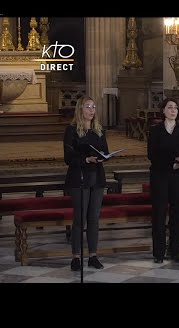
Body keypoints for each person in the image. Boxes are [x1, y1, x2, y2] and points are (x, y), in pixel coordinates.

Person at [63, 96, 108, 271]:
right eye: (88, 106)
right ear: (80, 109)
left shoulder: (99, 130)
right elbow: (68, 157)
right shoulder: (72, 130)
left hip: (97, 178)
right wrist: (85, 159)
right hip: (79, 178)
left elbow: (106, 150)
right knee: (79, 220)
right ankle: (75, 257)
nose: (91, 110)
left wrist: (104, 156)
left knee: (94, 219)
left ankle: (93, 255)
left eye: (93, 107)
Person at [148, 98, 179, 264]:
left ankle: (176, 252)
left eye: (175, 107)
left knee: (177, 214)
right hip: (160, 176)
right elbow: (152, 154)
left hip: (178, 177)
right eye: (170, 107)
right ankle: (159, 253)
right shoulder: (155, 131)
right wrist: (171, 162)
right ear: (163, 111)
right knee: (159, 214)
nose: (173, 110)